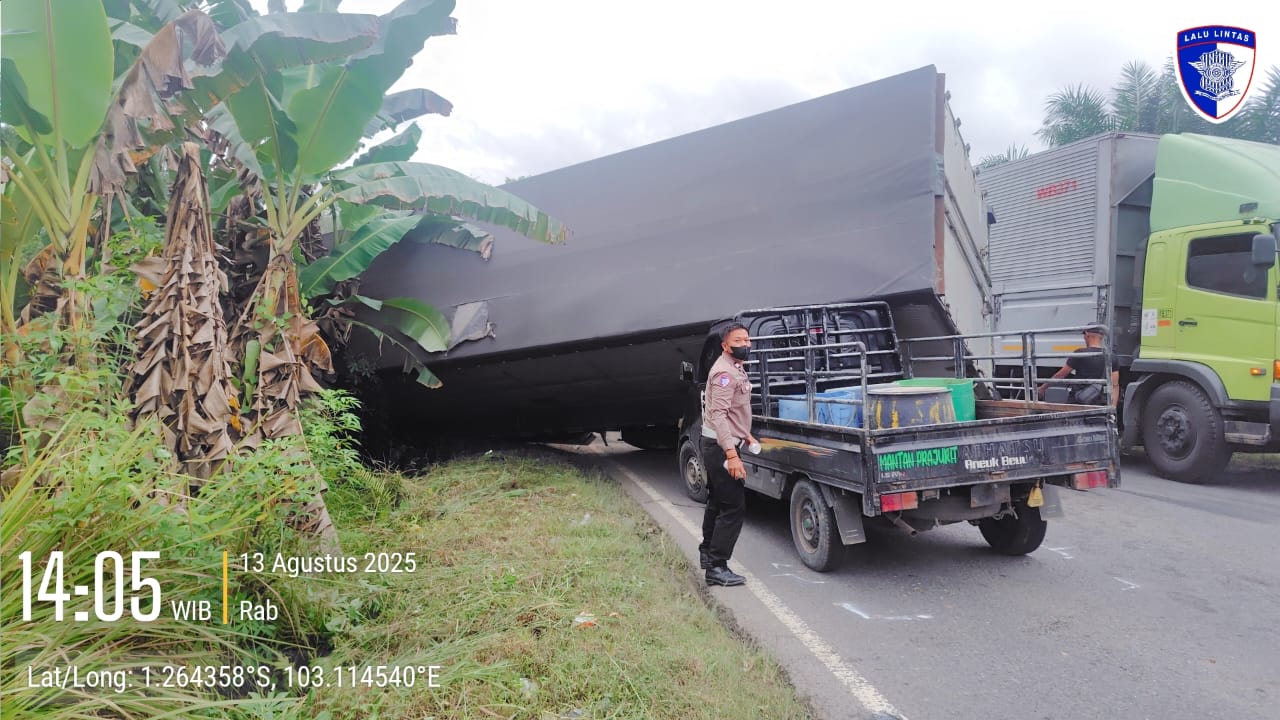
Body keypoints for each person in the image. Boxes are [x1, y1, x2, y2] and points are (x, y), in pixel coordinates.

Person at [698, 323, 758, 587]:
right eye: (738, 340)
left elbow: (734, 412)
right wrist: (732, 455)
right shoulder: (724, 373)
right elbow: (719, 416)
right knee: (733, 507)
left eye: (747, 339)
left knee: (718, 502)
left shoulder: (735, 367)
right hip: (721, 447)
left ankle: (708, 555)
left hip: (723, 443)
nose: (745, 344)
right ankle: (717, 567)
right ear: (725, 345)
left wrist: (745, 433)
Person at [1037, 327, 1119, 408]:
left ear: (1087, 334)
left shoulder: (1080, 353)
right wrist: (1113, 407)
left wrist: (1042, 388)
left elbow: (1060, 375)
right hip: (1100, 402)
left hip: (1079, 401)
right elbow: (1115, 385)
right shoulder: (1111, 356)